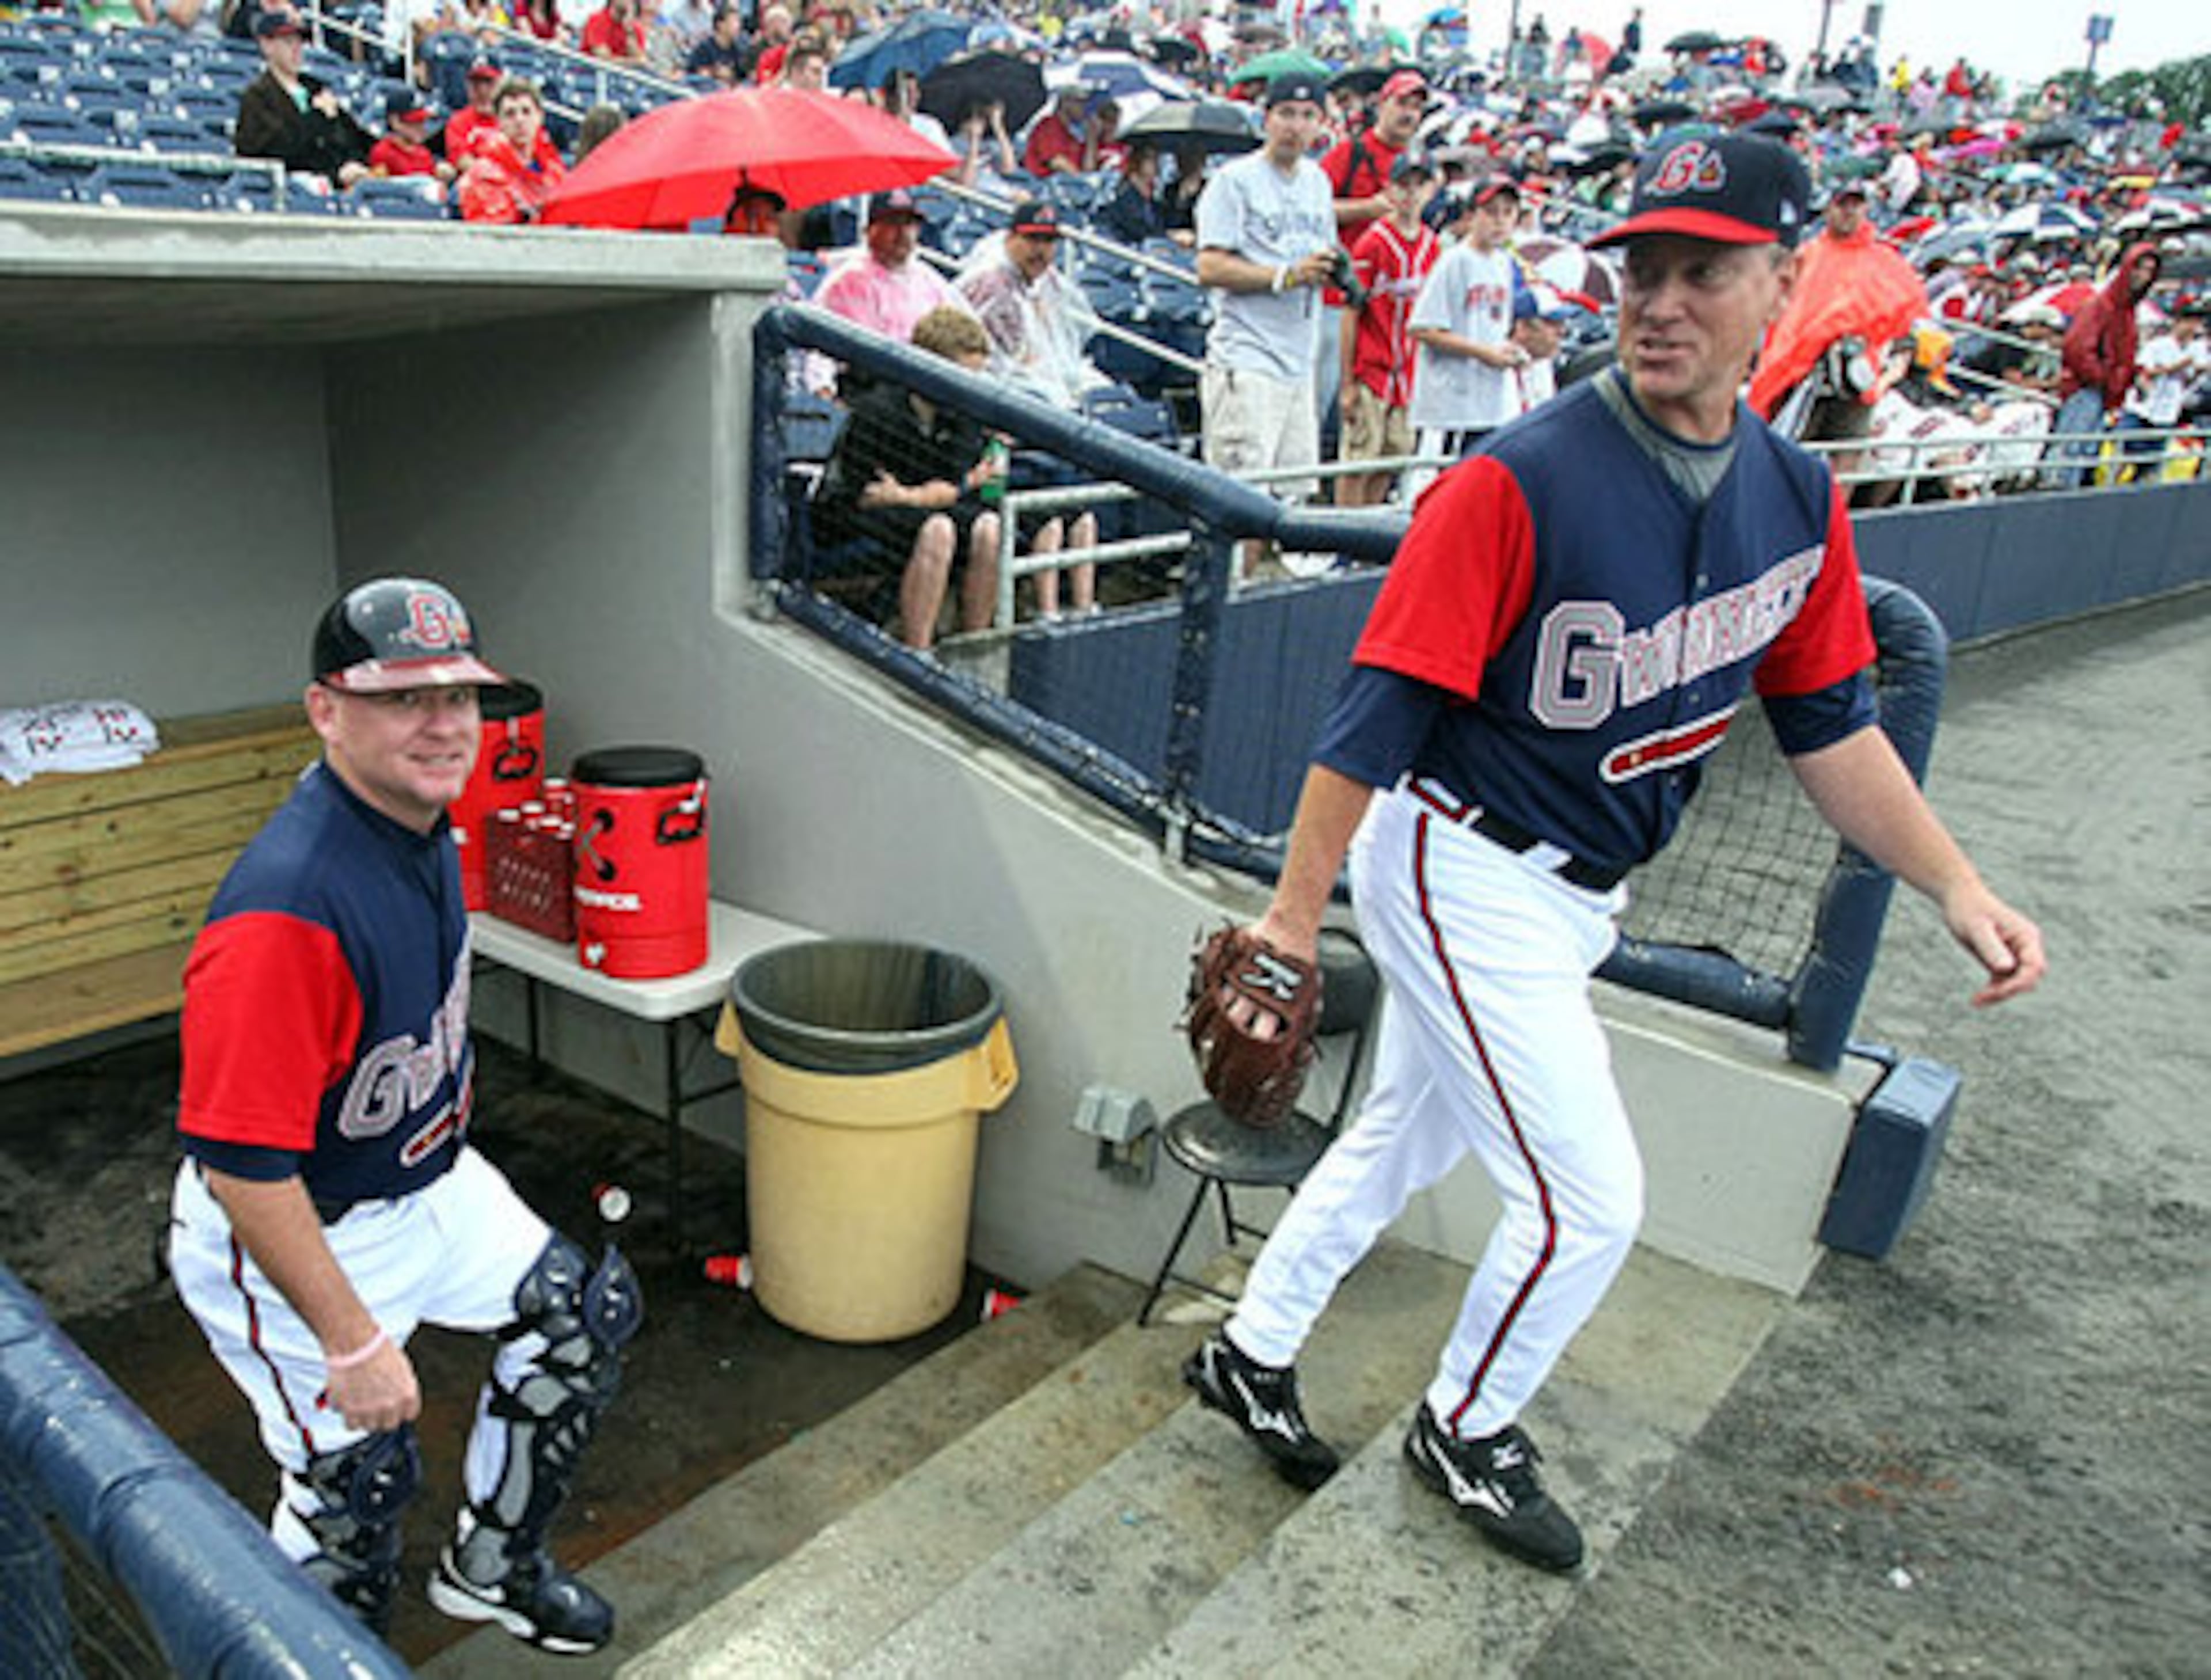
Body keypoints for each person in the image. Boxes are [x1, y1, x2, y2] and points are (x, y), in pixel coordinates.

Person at [1180, 130, 2043, 1578]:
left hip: (1572, 887)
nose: (1657, 299)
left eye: (1701, 270)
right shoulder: (1520, 480)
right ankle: (1463, 1420)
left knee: (1405, 1131)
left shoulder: (1797, 502)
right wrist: (1290, 910)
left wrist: (1955, 885)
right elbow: (1373, 709)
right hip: (1461, 863)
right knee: (1587, 1200)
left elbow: (1833, 729)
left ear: (1779, 285)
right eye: (1641, 267)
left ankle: (1249, 1351)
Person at [167, 576, 639, 1649]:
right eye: (404, 698)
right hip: (301, 1227)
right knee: (357, 1491)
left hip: (425, 1176)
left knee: (579, 1319)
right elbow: (243, 1161)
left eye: (460, 697)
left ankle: (493, 1567)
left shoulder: (419, 819)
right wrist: (352, 1336)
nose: (443, 724)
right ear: (326, 710)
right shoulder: (288, 908)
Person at [1194, 73, 1337, 579]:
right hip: (1247, 359)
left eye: (1307, 115)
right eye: (1286, 114)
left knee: (1289, 495)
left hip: (1299, 359)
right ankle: (1222, 606)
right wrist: (1284, 275)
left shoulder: (1318, 182)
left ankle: (1252, 605)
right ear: (1266, 117)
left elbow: (1323, 255)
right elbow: (1209, 267)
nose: (1296, 126)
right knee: (1240, 499)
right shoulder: (1235, 180)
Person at [812, 306, 1004, 652]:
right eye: (961, 375)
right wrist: (934, 493)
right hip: (851, 514)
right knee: (939, 530)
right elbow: (866, 493)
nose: (968, 387)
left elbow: (952, 485)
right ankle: (920, 652)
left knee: (990, 526)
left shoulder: (963, 412)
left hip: (913, 506)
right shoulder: (878, 409)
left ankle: (976, 647)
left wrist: (908, 495)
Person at [956, 200, 1102, 619]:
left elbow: (1062, 362)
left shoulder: (1048, 287)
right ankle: (1047, 609)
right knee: (1046, 510)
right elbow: (986, 367)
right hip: (995, 437)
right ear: (1011, 239)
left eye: (1050, 241)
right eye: (1033, 239)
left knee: (1082, 511)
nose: (1042, 250)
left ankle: (1083, 604)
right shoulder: (989, 284)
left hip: (1040, 427)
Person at [1404, 176, 1526, 498]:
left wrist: (1508, 351)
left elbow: (1496, 325)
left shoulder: (1503, 263)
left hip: (1488, 400)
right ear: (1472, 215)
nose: (1499, 221)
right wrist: (1483, 352)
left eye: (1507, 213)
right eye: (1491, 212)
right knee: (1445, 486)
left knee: (1477, 486)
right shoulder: (1455, 261)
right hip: (1451, 404)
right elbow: (1423, 328)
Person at [1337, 151, 1439, 508]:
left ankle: (1367, 529)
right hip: (1372, 367)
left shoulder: (1432, 245)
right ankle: (1345, 540)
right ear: (1390, 189)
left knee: (1393, 455)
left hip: (1408, 374)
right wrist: (1348, 382)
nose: (1411, 194)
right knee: (1360, 458)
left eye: (1419, 185)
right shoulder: (1374, 242)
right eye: (1403, 185)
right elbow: (1351, 312)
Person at [2054, 242, 2163, 487]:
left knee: (2085, 454)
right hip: (2086, 391)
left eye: (2149, 272)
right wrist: (2105, 378)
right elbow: (2078, 349)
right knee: (2070, 453)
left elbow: (2121, 355)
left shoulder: (2127, 313)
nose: (2143, 277)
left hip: (2102, 393)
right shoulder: (2101, 306)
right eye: (2140, 269)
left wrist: (2131, 375)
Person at [816, 189, 972, 356]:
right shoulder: (848, 281)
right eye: (893, 223)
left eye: (909, 223)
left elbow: (967, 335)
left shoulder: (932, 281)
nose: (903, 233)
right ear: (869, 230)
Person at [234, 11, 373, 188]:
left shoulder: (316, 88)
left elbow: (351, 135)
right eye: (288, 42)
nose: (296, 49)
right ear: (266, 45)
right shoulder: (258, 98)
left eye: (299, 42)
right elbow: (278, 151)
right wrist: (317, 117)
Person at [457, 77, 567, 224]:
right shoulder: (482, 175)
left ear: (540, 116)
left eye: (526, 112)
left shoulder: (556, 173)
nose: (519, 120)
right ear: (499, 122)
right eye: (510, 114)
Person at [369, 88, 457, 184]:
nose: (420, 127)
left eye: (422, 121)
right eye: (414, 122)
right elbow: (378, 188)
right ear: (395, 121)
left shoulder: (424, 153)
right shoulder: (383, 152)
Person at [441, 56, 504, 169]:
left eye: (489, 83)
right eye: (476, 84)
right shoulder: (458, 122)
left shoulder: (516, 116)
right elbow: (463, 161)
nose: (482, 91)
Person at [1024, 86, 1091, 177]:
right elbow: (1057, 162)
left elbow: (1087, 167)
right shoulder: (1048, 127)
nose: (1083, 108)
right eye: (1079, 103)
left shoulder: (1072, 135)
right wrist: (1082, 181)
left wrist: (1092, 137)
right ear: (1065, 103)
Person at [685, 5, 747, 83]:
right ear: (720, 25)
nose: (738, 26)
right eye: (733, 22)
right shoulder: (704, 49)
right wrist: (715, 73)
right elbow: (696, 73)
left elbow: (742, 75)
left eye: (738, 22)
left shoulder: (739, 49)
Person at [580, 0, 648, 63]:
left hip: (621, 73)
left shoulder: (635, 29)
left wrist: (629, 30)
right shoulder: (597, 20)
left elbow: (642, 59)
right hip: (590, 70)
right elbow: (605, 58)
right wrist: (633, 62)